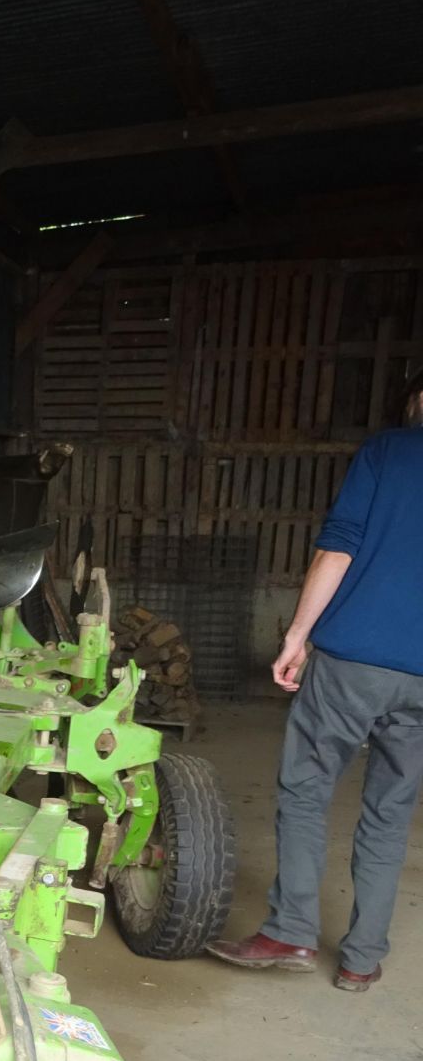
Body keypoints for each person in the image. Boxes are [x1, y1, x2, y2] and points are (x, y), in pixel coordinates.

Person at [208, 368, 423, 992]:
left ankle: (292, 929)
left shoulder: (388, 450)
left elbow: (339, 548)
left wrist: (298, 635)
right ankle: (361, 958)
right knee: (390, 811)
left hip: (354, 659)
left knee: (307, 789)